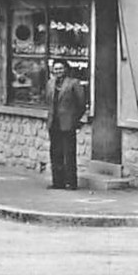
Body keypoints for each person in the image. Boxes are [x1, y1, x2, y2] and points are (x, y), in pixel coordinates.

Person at [43, 59, 87, 190]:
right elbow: (48, 102)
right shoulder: (50, 83)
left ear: (66, 69)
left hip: (68, 124)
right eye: (56, 69)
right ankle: (58, 182)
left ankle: (71, 182)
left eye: (61, 69)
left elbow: (81, 104)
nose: (58, 71)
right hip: (54, 123)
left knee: (69, 153)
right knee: (55, 153)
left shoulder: (73, 83)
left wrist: (75, 119)